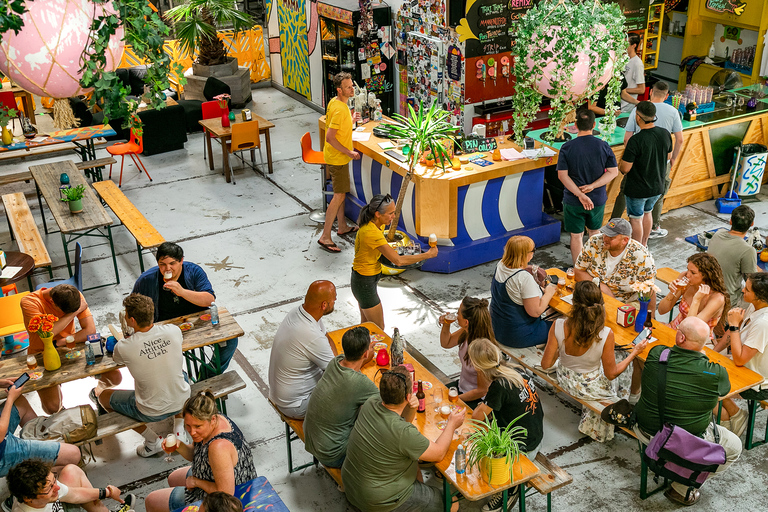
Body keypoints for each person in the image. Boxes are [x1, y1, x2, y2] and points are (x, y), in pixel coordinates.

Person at [633, 317, 741, 506]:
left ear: (680, 337)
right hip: (681, 440)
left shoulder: (656, 353)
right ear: (705, 342)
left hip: (645, 430)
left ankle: (673, 468)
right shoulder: (715, 373)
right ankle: (681, 488)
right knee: (734, 447)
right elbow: (723, 392)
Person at [342, 366, 464, 512]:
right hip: (378, 501)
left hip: (351, 484)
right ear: (407, 396)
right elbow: (438, 454)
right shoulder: (404, 433)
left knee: (412, 459)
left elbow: (400, 425)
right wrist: (451, 424)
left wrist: (411, 408)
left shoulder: (371, 403)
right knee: (452, 501)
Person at [541, 281, 647, 442]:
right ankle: (631, 399)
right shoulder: (605, 334)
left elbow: (545, 364)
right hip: (589, 386)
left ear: (573, 302)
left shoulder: (559, 325)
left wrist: (559, 351)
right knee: (624, 361)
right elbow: (611, 374)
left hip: (565, 379)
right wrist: (634, 353)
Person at [96, 294, 191, 457]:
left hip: (150, 410)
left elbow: (117, 360)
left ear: (131, 320)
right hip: (183, 399)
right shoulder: (173, 330)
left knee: (103, 397)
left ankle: (152, 441)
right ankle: (179, 431)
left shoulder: (124, 346)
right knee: (178, 374)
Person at [133, 242, 238, 376]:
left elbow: (209, 299)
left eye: (172, 263)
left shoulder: (193, 271)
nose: (167, 269)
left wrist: (182, 291)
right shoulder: (147, 279)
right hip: (165, 327)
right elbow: (132, 307)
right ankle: (180, 381)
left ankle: (206, 377)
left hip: (197, 321)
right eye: (162, 264)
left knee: (230, 340)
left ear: (181, 260)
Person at [145, 390, 257, 512]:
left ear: (212, 419)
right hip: (212, 474)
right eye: (188, 425)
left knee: (151, 500)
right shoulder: (210, 419)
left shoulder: (219, 447)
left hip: (224, 500)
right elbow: (196, 453)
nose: (192, 432)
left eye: (197, 427)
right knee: (173, 477)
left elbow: (225, 493)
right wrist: (179, 446)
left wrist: (197, 482)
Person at [20, 284, 121, 414]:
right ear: (52, 302)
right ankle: (61, 411)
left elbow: (90, 331)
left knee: (115, 378)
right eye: (64, 313)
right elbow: (46, 334)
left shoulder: (74, 295)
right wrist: (73, 313)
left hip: (70, 348)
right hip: (42, 353)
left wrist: (60, 342)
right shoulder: (30, 302)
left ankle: (97, 393)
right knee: (52, 407)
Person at [469, 338, 544, 512]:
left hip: (524, 449)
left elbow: (476, 417)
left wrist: (481, 406)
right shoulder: (515, 369)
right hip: (536, 435)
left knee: (474, 443)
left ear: (477, 366)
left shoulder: (499, 386)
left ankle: (510, 489)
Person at [351, 194, 437, 329]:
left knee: (367, 326)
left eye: (395, 212)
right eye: (391, 213)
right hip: (364, 283)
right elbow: (397, 261)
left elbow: (383, 251)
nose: (394, 216)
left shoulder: (377, 225)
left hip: (365, 280)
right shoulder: (371, 232)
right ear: (378, 214)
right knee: (378, 328)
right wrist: (427, 255)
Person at [613, 81, 683, 239]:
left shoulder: (636, 132)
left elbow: (626, 143)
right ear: (666, 96)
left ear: (650, 92)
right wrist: (671, 161)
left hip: (638, 173)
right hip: (659, 170)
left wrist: (630, 155)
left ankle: (617, 227)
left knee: (635, 215)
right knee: (649, 209)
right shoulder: (669, 121)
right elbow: (678, 141)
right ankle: (649, 236)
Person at [304, 325, 378, 468]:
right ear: (365, 354)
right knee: (379, 428)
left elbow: (353, 369)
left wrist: (365, 356)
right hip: (333, 455)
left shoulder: (335, 362)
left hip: (313, 441)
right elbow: (389, 405)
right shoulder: (360, 383)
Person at [268, 280, 338, 419]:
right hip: (296, 405)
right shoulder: (310, 334)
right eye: (334, 300)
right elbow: (337, 372)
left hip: (282, 395)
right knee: (350, 391)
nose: (335, 301)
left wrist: (335, 360)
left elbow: (327, 337)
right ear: (324, 305)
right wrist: (362, 359)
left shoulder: (301, 312)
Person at [556, 109, 619, 263]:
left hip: (573, 200)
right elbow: (613, 172)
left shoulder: (567, 147)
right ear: (594, 124)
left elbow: (562, 175)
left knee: (576, 236)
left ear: (575, 125)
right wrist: (592, 186)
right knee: (594, 232)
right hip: (597, 199)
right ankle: (595, 265)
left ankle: (578, 268)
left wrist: (580, 194)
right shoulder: (603, 145)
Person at [717, 273, 768, 434]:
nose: (742, 291)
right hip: (738, 365)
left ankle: (727, 422)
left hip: (756, 381)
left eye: (747, 289)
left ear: (759, 297)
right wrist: (713, 352)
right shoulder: (755, 305)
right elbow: (731, 335)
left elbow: (740, 359)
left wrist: (733, 326)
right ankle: (734, 415)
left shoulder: (763, 323)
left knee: (700, 382)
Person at [0, 378, 81, 477]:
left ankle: (37, 445)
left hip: (3, 435)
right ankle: (25, 480)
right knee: (74, 454)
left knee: (19, 402)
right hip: (3, 451)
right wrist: (10, 399)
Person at [618, 101, 673, 246]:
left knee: (636, 219)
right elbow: (668, 156)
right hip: (657, 186)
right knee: (648, 213)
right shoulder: (665, 134)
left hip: (638, 188)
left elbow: (625, 168)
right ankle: (644, 244)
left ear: (638, 117)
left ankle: (637, 249)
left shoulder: (635, 140)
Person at [318, 71, 361, 253]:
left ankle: (341, 225)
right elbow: (330, 137)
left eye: (352, 85)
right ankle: (325, 236)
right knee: (338, 196)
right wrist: (349, 152)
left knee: (341, 192)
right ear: (339, 90)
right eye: (348, 87)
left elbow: (337, 127)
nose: (352, 89)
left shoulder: (336, 103)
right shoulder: (340, 108)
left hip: (334, 156)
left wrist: (350, 121)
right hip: (338, 159)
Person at [490, 236, 557, 348]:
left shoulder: (500, 265)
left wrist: (526, 267)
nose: (533, 253)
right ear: (524, 255)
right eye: (533, 250)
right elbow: (535, 312)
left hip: (497, 327)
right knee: (565, 328)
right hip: (519, 335)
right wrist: (549, 292)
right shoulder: (523, 278)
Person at [574, 218, 657, 306]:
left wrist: (650, 318)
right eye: (605, 234)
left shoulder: (642, 257)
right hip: (591, 294)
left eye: (611, 237)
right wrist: (600, 286)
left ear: (625, 240)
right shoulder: (594, 242)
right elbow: (578, 271)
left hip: (625, 303)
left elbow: (649, 291)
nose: (605, 238)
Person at [7, 459, 132, 512]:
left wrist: (107, 492)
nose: (57, 488)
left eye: (54, 481)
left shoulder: (48, 487)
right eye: (49, 488)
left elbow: (75, 494)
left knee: (71, 470)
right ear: (28, 498)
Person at [439, 297, 497, 409]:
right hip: (461, 387)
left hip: (477, 399)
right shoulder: (467, 332)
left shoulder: (482, 352)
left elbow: (482, 390)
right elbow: (446, 343)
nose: (456, 314)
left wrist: (454, 399)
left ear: (466, 322)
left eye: (458, 312)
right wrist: (446, 324)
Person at [658, 253, 728, 336]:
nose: (687, 275)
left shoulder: (717, 298)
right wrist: (672, 292)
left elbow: (690, 329)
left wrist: (696, 300)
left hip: (695, 340)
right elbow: (661, 311)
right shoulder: (685, 280)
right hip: (675, 328)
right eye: (688, 270)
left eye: (693, 273)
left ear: (706, 276)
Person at [708, 205, 760, 308]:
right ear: (752, 224)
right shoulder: (748, 250)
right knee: (759, 297)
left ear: (730, 221)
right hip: (728, 301)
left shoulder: (718, 234)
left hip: (706, 291)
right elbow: (752, 283)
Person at [620, 33, 645, 113]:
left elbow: (641, 90)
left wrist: (623, 90)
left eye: (626, 43)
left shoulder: (637, 63)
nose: (623, 46)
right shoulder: (623, 58)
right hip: (618, 102)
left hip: (626, 106)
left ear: (633, 45)